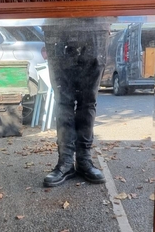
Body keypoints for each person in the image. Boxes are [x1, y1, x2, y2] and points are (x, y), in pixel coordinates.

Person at [42, 17, 112, 187]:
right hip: (58, 24)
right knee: (63, 102)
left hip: (95, 24)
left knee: (87, 101)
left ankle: (83, 160)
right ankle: (66, 162)